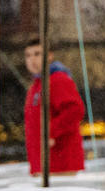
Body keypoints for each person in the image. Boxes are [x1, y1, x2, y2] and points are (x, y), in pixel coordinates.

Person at [23, 39, 86, 175]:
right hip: (42, 163)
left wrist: (51, 133)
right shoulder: (36, 85)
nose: (32, 59)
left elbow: (74, 110)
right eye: (28, 55)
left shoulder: (57, 80)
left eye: (37, 54)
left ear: (49, 56)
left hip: (59, 161)